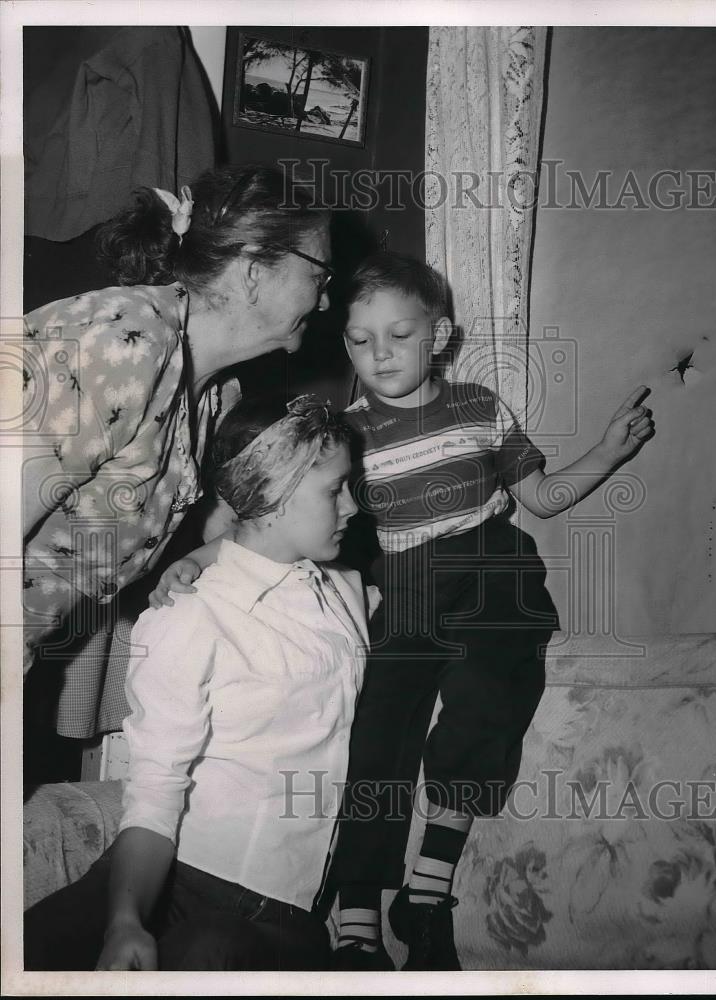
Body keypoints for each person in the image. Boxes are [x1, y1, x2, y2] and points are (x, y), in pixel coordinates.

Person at [151, 251, 655, 972]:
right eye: (360, 339)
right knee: (378, 721)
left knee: (490, 690)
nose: (379, 354)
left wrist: (607, 453)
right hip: (407, 580)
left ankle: (429, 890)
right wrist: (204, 556)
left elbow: (540, 497)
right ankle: (357, 919)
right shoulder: (342, 433)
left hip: (493, 568)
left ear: (439, 335)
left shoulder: (479, 405)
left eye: (399, 334)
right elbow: (261, 510)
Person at [24, 395, 369, 971]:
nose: (354, 506)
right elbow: (156, 789)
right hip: (172, 872)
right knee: (32, 947)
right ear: (273, 496)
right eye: (335, 490)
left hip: (272, 914)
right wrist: (126, 919)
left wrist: (202, 555)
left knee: (204, 953)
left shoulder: (347, 593)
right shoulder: (188, 616)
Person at [22, 163, 334, 741]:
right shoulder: (127, 340)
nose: (324, 300)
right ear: (253, 270)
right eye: (319, 273)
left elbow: (236, 535)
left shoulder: (214, 395)